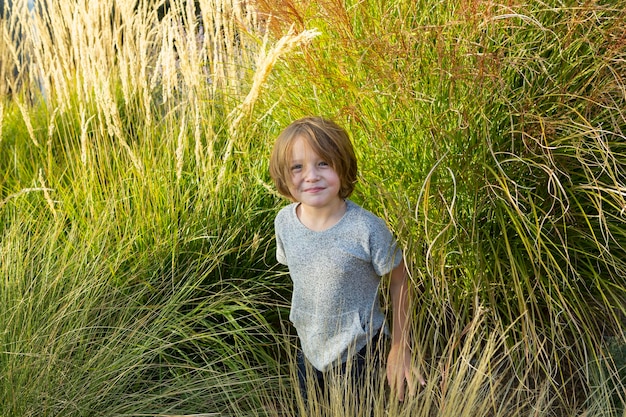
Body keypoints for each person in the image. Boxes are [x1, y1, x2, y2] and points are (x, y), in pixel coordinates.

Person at [269, 116, 425, 407]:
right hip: (310, 349)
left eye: (323, 164)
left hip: (361, 352)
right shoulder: (284, 223)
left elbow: (401, 279)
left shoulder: (366, 229)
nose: (311, 176)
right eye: (297, 167)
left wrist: (400, 345)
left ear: (343, 166)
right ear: (284, 176)